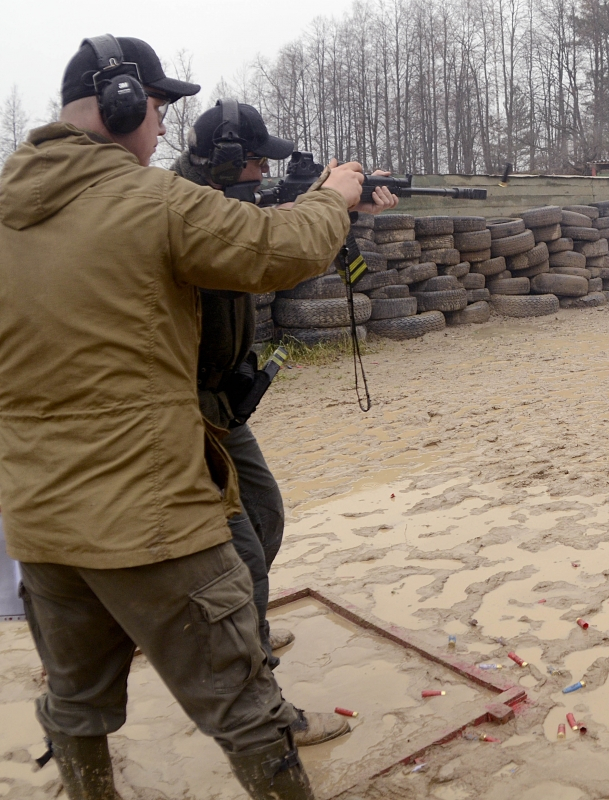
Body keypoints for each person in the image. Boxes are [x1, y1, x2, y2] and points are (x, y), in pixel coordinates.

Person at [0, 35, 393, 799]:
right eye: (155, 107)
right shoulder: (151, 199)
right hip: (147, 515)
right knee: (248, 709)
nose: (160, 124)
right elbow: (280, 249)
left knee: (75, 705)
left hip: (37, 521)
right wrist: (335, 197)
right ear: (120, 106)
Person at [171, 100, 371, 747]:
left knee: (265, 515)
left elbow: (266, 230)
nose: (263, 172)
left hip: (223, 404)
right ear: (228, 160)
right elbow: (273, 252)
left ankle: (247, 629)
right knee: (245, 558)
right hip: (184, 413)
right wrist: (328, 203)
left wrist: (334, 205)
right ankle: (264, 708)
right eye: (258, 161)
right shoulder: (183, 211)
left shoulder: (222, 204)